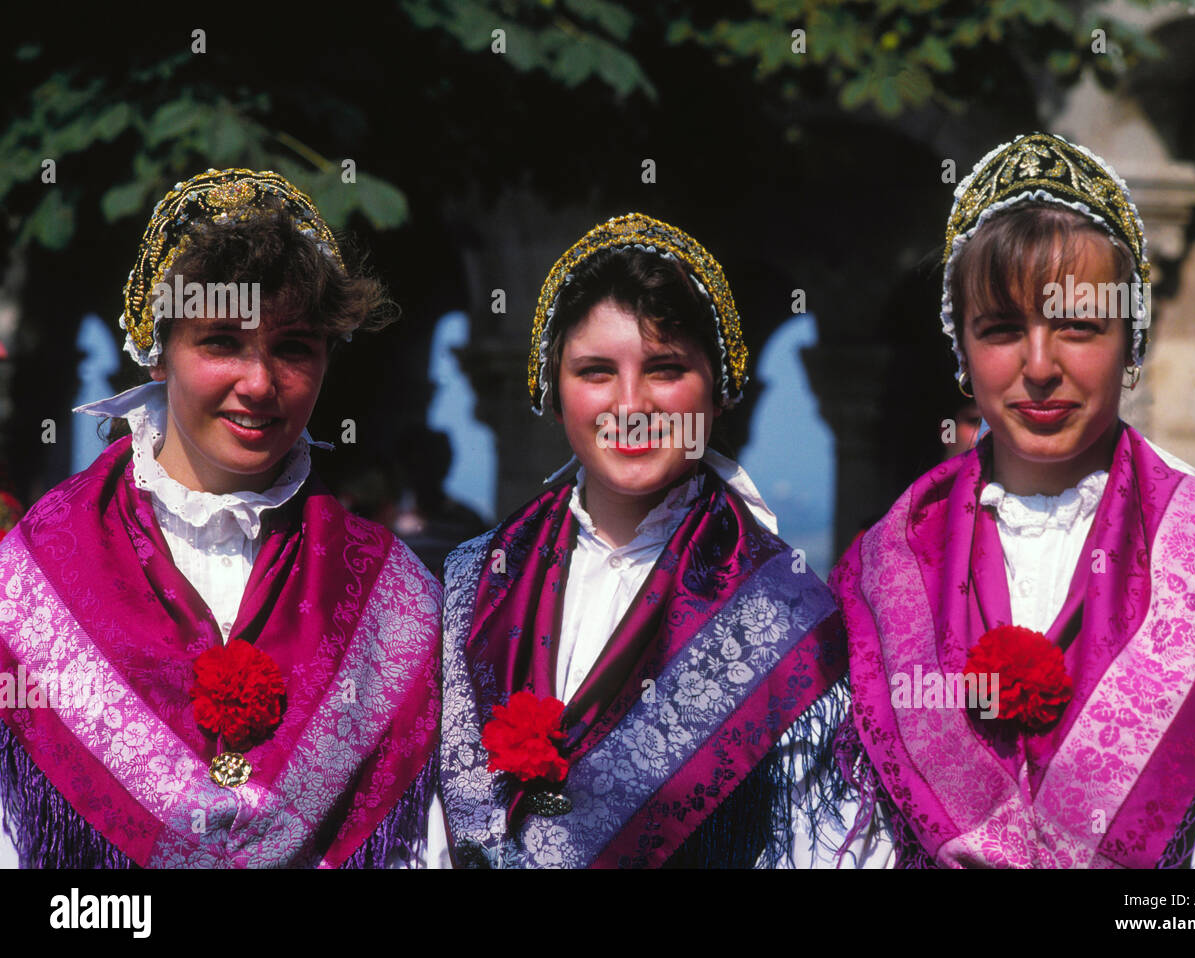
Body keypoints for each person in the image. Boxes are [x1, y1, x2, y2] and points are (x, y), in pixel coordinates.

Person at [831, 132, 1195, 868]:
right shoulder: (884, 573)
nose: (1040, 366)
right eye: (1002, 329)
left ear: (1130, 342)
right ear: (962, 350)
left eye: (1079, 326)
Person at [0, 169, 442, 868]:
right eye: (221, 343)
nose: (260, 382)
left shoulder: (395, 596)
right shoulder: (31, 578)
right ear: (159, 350)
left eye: (293, 347)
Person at [433, 213, 853, 868]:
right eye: (596, 372)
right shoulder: (474, 580)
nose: (630, 404)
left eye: (664, 369)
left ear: (718, 390)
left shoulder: (782, 612)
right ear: (553, 389)